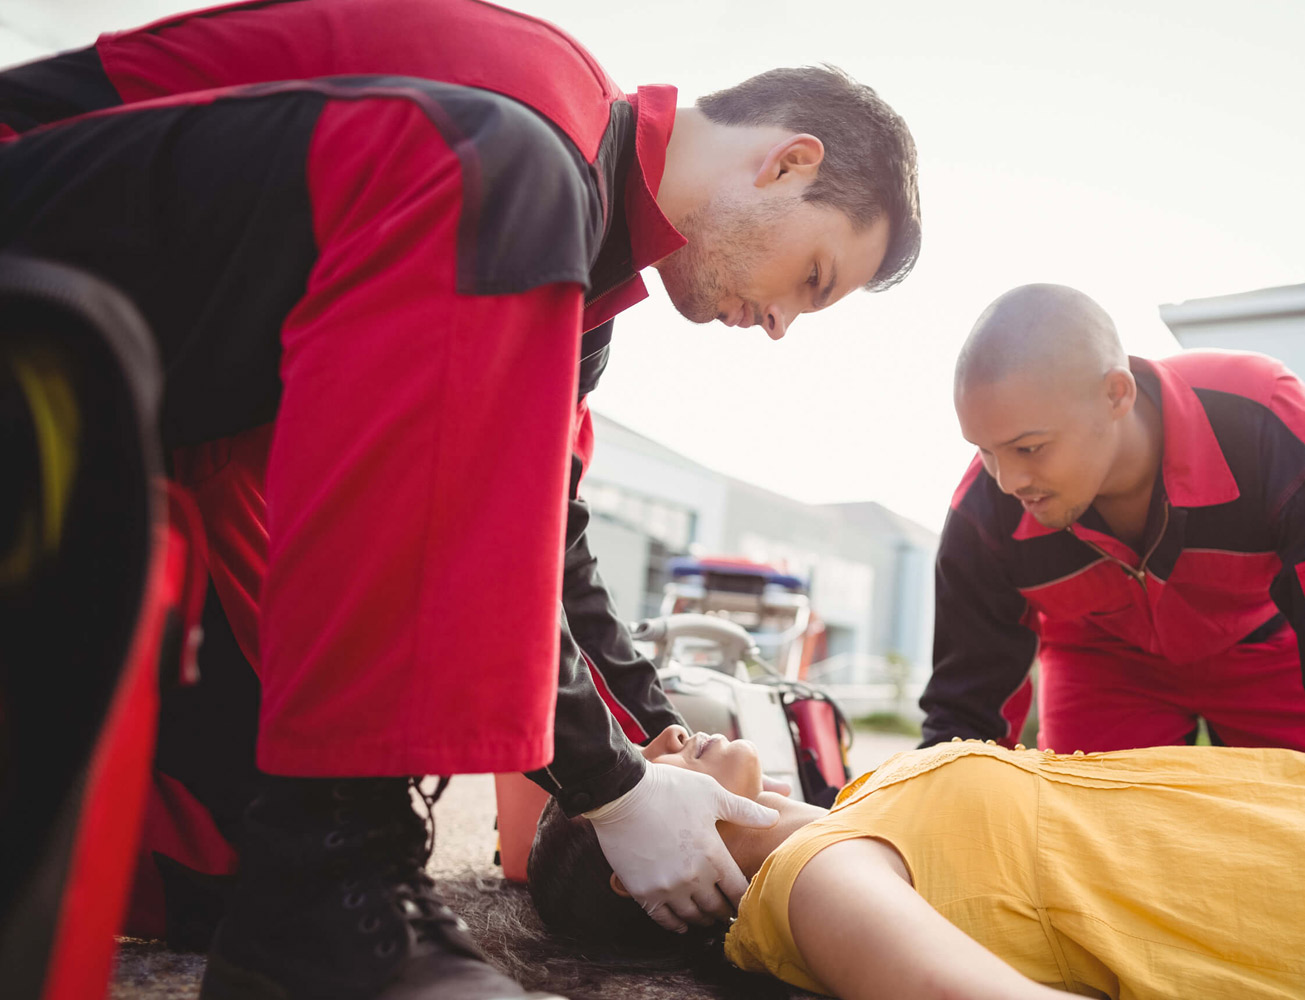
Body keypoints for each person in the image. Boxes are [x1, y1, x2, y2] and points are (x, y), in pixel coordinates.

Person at [0, 6, 921, 998]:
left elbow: (544, 554)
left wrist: (645, 750)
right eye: (811, 280)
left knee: (226, 864)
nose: (780, 325)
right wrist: (609, 791)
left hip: (152, 401)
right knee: (505, 166)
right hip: (40, 249)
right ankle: (333, 865)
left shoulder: (575, 290)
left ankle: (312, 886)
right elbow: (463, 518)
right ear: (786, 163)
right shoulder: (530, 108)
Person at [919, 283, 1305, 818]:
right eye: (986, 451)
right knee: (1097, 849)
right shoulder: (982, 511)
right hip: (1102, 661)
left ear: (1116, 393)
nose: (1009, 479)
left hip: (1263, 647)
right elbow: (964, 715)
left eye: (1029, 447)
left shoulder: (1274, 429)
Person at [530, 726, 1305, 1000]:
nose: (662, 745)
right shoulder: (823, 881)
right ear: (643, 871)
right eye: (640, 777)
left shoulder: (836, 817)